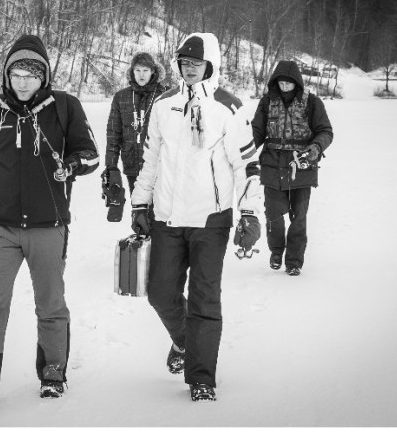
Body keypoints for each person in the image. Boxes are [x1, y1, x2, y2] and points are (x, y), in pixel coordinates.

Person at [0, 34, 99, 410]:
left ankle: (52, 375)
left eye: (31, 75)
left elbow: (90, 153)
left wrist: (72, 164)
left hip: (48, 227)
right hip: (0, 227)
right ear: (7, 75)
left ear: (43, 76)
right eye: (16, 74)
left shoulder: (64, 106)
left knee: (50, 304)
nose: (22, 82)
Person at [130, 32, 263, 402]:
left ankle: (201, 378)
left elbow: (247, 166)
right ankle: (185, 341)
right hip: (167, 217)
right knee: (160, 293)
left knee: (204, 299)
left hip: (211, 220)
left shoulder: (229, 107)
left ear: (211, 65)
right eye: (184, 63)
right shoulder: (163, 105)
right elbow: (150, 160)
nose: (189, 69)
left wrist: (249, 213)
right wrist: (140, 204)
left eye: (196, 63)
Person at [251, 60, 333, 276]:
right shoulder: (267, 102)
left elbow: (325, 131)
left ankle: (294, 261)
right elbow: (256, 132)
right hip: (272, 165)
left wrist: (316, 147)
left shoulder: (312, 102)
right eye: (281, 82)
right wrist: (243, 151)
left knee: (299, 218)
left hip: (301, 166)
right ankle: (276, 252)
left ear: (297, 82)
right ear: (275, 82)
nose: (285, 86)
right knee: (274, 215)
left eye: (289, 82)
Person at [103, 52, 167, 194]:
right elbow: (113, 134)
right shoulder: (121, 97)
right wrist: (111, 166)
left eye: (145, 70)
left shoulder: (164, 96)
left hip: (159, 165)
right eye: (137, 70)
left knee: (159, 206)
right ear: (132, 71)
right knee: (138, 205)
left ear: (153, 71)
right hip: (132, 163)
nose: (141, 75)